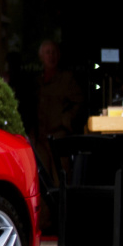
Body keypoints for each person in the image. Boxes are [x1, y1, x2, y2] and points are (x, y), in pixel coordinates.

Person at [33, 39, 83, 167]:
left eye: (53, 53)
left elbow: (79, 102)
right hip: (40, 139)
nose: (51, 56)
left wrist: (66, 119)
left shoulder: (66, 79)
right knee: (43, 179)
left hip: (59, 137)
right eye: (47, 53)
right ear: (41, 57)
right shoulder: (37, 81)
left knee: (61, 177)